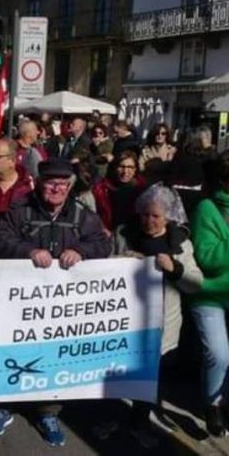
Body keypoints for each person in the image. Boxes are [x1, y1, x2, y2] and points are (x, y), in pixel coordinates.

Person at [0, 158, 112, 447]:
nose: (55, 188)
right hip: (19, 303)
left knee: (53, 358)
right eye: (50, 182)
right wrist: (28, 250)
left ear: (70, 187)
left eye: (62, 184)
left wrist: (81, 250)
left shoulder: (84, 216)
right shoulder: (20, 210)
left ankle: (48, 411)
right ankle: (4, 404)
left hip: (59, 310)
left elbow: (103, 244)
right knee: (13, 352)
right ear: (40, 183)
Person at [109, 184, 202, 447]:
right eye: (145, 215)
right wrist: (120, 259)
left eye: (156, 217)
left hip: (161, 325)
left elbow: (195, 283)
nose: (148, 221)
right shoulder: (125, 233)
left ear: (168, 217)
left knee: (149, 379)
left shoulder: (180, 243)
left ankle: (139, 423)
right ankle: (110, 418)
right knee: (118, 373)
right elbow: (104, 264)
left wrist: (174, 268)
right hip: (125, 320)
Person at [190, 150, 229, 436]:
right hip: (210, 293)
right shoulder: (206, 208)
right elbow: (208, 259)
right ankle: (213, 404)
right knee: (219, 353)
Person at [93, 151, 146, 232]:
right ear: (115, 167)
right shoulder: (101, 189)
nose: (125, 172)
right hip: (108, 233)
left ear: (135, 169)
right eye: (121, 166)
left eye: (130, 167)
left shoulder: (142, 189)